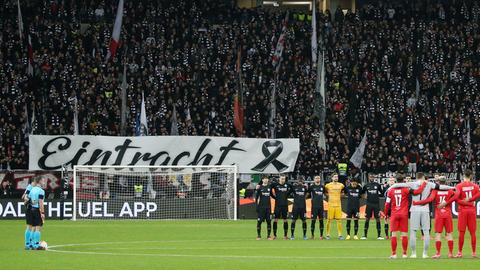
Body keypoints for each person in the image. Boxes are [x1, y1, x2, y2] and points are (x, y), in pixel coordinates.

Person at [390, 172, 454, 258]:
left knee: (413, 232)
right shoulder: (429, 184)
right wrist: (452, 187)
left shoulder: (411, 184)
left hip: (414, 209)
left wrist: (391, 186)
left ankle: (413, 253)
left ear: (416, 177)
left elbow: (397, 185)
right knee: (426, 232)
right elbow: (441, 187)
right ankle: (425, 253)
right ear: (423, 177)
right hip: (425, 209)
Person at [385, 174, 426, 259]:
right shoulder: (406, 189)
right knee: (404, 234)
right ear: (403, 180)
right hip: (404, 214)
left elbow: (387, 204)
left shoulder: (390, 190)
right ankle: (404, 254)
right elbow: (417, 192)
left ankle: (394, 254)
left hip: (394, 214)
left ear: (396, 181)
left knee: (394, 234)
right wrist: (423, 185)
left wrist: (386, 214)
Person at [440, 169, 479, 258]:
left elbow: (457, 199)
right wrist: (470, 200)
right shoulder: (475, 186)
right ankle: (473, 253)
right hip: (472, 210)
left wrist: (466, 201)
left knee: (462, 232)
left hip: (462, 211)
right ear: (471, 176)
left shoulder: (459, 186)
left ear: (463, 176)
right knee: (473, 232)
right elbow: (478, 194)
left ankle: (460, 252)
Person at [413, 176, 455, 258]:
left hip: (439, 214)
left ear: (438, 182)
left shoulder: (435, 191)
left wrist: (417, 203)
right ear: (445, 182)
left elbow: (429, 200)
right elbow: (457, 196)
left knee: (438, 234)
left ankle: (438, 253)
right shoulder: (450, 191)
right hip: (448, 214)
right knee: (449, 234)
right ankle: (450, 253)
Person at [361, 175, 384, 240]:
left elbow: (382, 193)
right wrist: (365, 197)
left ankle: (379, 235)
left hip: (376, 204)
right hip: (369, 204)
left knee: (378, 219)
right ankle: (364, 235)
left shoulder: (377, 185)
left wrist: (377, 195)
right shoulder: (366, 185)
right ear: (369, 178)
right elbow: (362, 193)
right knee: (367, 219)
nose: (371, 178)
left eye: (372, 177)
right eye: (370, 177)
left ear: (374, 178)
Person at [324, 174, 345, 240]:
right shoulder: (327, 185)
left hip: (338, 205)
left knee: (339, 220)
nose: (336, 178)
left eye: (337, 177)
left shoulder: (341, 185)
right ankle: (327, 234)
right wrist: (329, 196)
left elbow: (343, 193)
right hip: (330, 205)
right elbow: (325, 193)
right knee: (329, 220)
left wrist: (340, 196)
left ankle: (340, 235)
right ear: (332, 178)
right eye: (335, 177)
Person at [271, 175, 292, 240]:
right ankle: (274, 236)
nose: (283, 180)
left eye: (284, 179)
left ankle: (285, 236)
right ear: (279, 179)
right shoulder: (275, 185)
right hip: (277, 205)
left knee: (285, 220)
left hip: (285, 205)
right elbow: (268, 189)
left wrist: (287, 195)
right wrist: (274, 197)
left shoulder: (287, 185)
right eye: (282, 179)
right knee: (275, 220)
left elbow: (292, 189)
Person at [28, 177, 46, 250]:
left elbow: (28, 199)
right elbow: (41, 202)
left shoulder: (32, 189)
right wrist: (42, 212)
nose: (44, 182)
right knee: (38, 228)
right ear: (39, 182)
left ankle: (31, 244)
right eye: (43, 180)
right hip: (37, 210)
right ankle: (36, 245)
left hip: (31, 210)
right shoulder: (41, 191)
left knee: (33, 227)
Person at [308, 175, 325, 239]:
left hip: (321, 207)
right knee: (313, 221)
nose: (317, 179)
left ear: (320, 179)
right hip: (314, 207)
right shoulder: (311, 187)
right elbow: (307, 194)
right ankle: (312, 235)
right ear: (314, 179)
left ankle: (321, 235)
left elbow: (325, 194)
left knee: (321, 221)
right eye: (316, 178)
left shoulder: (322, 187)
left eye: (318, 178)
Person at [22, 179, 36, 249]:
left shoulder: (31, 187)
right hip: (30, 208)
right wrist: (30, 201)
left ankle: (30, 243)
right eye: (35, 182)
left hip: (32, 208)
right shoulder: (30, 187)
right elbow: (25, 197)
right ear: (32, 182)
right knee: (30, 226)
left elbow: (24, 196)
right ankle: (28, 244)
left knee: (33, 226)